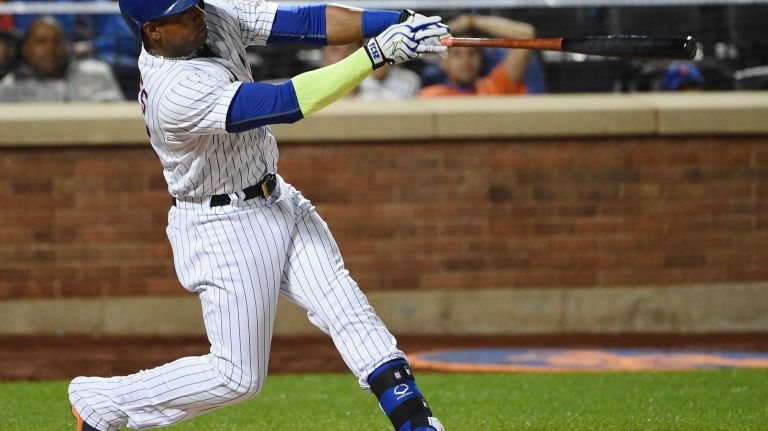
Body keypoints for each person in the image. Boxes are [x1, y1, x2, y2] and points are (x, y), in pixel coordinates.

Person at [68, 1, 449, 431]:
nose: (198, 12)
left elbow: (305, 22)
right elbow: (283, 102)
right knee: (237, 377)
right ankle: (102, 401)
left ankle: (417, 422)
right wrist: (374, 55)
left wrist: (396, 21)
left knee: (346, 308)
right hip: (223, 228)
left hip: (276, 196)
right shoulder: (174, 89)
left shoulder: (210, 14)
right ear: (153, 30)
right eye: (182, 11)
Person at [0, 16, 123, 102]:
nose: (50, 48)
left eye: (57, 41)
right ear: (25, 49)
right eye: (41, 42)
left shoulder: (96, 73)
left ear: (66, 46)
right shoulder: (9, 88)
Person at [420, 14, 535, 97]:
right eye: (457, 54)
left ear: (481, 58)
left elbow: (526, 35)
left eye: (472, 53)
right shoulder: (429, 97)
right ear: (443, 62)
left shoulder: (496, 86)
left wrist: (472, 21)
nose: (465, 61)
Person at [321, 42, 422, 100]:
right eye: (335, 50)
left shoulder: (369, 91)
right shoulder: (313, 89)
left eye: (350, 49)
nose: (344, 56)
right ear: (324, 57)